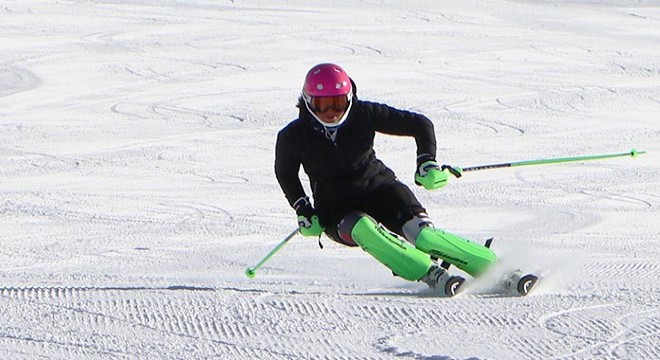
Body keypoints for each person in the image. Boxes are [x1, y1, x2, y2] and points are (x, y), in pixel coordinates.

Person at [274, 63, 497, 296]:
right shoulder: (293, 136)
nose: (331, 112)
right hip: (335, 209)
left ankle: (494, 268)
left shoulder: (364, 114)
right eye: (322, 105)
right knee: (363, 228)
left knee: (424, 236)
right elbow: (286, 173)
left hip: (380, 189)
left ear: (349, 99)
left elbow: (420, 124)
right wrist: (303, 208)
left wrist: (427, 162)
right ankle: (429, 273)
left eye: (338, 103)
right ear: (308, 102)